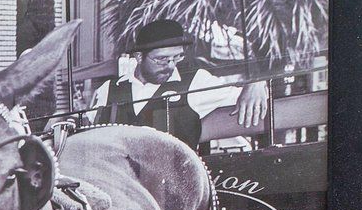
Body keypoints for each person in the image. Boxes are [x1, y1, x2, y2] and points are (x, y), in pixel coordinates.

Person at [90, 18, 269, 147]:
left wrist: (257, 83)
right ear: (138, 57)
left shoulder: (196, 82)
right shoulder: (108, 90)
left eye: (177, 57)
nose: (170, 66)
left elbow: (247, 98)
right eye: (161, 59)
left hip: (176, 187)